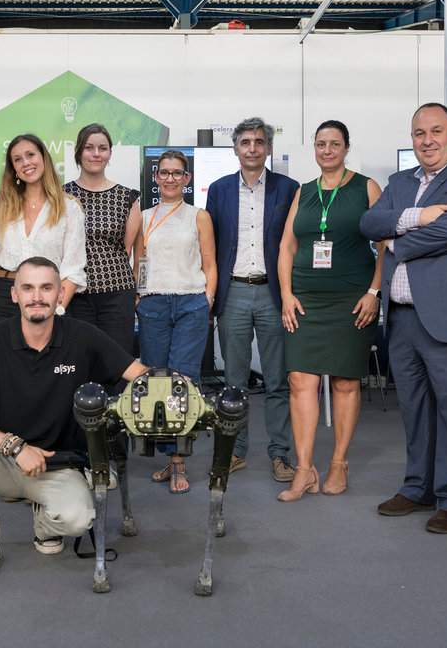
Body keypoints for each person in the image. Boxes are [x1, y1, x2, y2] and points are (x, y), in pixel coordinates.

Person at [0, 257, 145, 586]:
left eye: (46, 287)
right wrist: (16, 446)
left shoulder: (83, 336)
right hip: (5, 460)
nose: (37, 296)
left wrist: (174, 387)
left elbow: (140, 376)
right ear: (15, 295)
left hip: (57, 464)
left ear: (60, 293)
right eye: (28, 288)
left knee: (78, 519)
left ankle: (46, 522)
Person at [359, 103, 447, 534]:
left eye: (436, 131)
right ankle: (419, 486)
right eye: (419, 133)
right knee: (416, 410)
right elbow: (369, 222)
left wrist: (398, 241)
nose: (428, 140)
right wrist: (417, 217)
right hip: (403, 318)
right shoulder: (400, 182)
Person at [276, 120, 384, 501]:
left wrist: (375, 291)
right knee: (300, 381)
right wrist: (287, 294)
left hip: (351, 300)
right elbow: (287, 247)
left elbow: (386, 244)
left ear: (346, 148)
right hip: (305, 299)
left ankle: (339, 462)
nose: (327, 150)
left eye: (334, 144)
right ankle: (305, 470)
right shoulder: (304, 192)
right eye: (321, 144)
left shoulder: (366, 187)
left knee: (344, 381)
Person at [206, 117, 299, 483]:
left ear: (269, 148)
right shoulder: (219, 189)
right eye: (246, 142)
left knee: (277, 380)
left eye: (260, 142)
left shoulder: (288, 188)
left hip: (274, 293)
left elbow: (295, 244)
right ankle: (236, 450)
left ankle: (279, 453)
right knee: (234, 381)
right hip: (234, 292)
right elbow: (210, 245)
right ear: (236, 149)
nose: (253, 148)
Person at [135, 150, 216, 495]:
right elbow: (138, 261)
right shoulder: (142, 217)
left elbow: (210, 262)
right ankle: (170, 456)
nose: (170, 178)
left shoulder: (199, 216)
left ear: (187, 178)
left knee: (183, 382)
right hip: (152, 305)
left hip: (189, 304)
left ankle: (180, 462)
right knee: (157, 384)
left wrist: (207, 299)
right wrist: (139, 298)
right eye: (164, 172)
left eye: (177, 173)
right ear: (156, 177)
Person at [0, 134, 85, 325]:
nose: (26, 163)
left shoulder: (69, 208)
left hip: (47, 298)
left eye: (31, 155)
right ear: (13, 168)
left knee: (46, 355)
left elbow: (73, 269)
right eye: (17, 159)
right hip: (4, 296)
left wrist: (58, 308)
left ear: (44, 158)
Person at [63, 123, 141, 354]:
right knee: (80, 358)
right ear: (78, 151)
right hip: (75, 293)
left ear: (109, 153)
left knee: (117, 358)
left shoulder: (127, 197)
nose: (96, 154)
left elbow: (129, 251)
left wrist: (137, 291)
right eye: (89, 148)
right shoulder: (61, 195)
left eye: (102, 148)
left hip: (118, 292)